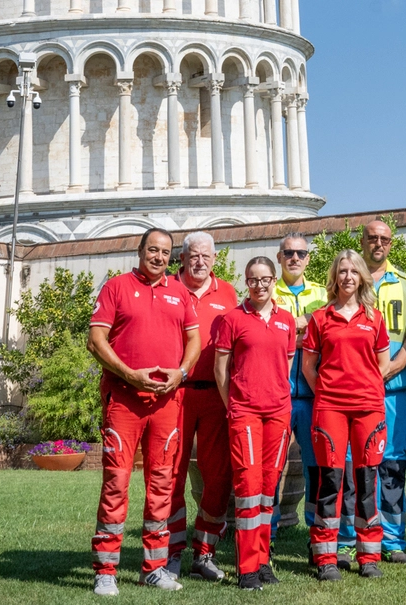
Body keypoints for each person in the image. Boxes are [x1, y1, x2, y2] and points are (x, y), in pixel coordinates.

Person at [87, 228, 200, 596]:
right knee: (116, 484)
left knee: (163, 485)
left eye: (166, 252)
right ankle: (106, 570)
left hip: (167, 402)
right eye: (153, 249)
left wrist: (181, 372)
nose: (159, 257)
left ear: (172, 257)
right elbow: (95, 340)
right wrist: (128, 374)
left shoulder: (180, 293)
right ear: (140, 251)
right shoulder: (116, 287)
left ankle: (154, 567)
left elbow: (195, 340)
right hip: (123, 400)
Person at [303, 250, 392, 581]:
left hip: (368, 407)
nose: (348, 277)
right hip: (330, 408)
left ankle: (368, 556)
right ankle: (325, 555)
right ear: (334, 277)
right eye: (342, 271)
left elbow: (382, 364)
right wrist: (329, 391)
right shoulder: (320, 318)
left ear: (361, 277)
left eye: (353, 271)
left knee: (367, 481)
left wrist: (365, 385)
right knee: (331, 480)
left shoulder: (375, 318)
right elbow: (309, 367)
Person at [213, 257, 297, 590]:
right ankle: (247, 568)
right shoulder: (232, 319)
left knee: (267, 491)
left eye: (264, 279)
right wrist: (233, 405)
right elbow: (221, 371)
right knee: (248, 490)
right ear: (245, 283)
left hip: (278, 413)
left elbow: (286, 366)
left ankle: (263, 562)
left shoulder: (286, 321)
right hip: (245, 413)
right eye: (252, 280)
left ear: (273, 280)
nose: (259, 285)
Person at [164, 232, 238, 582]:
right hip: (175, 393)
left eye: (207, 256)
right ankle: (171, 552)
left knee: (219, 477)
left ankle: (204, 552)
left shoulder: (227, 293)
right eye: (194, 255)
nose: (200, 262)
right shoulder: (165, 288)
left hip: (215, 394)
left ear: (215, 258)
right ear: (182, 257)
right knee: (170, 475)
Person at [267, 233, 341, 560]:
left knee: (316, 468)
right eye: (289, 253)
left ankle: (316, 535)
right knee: (271, 469)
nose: (295, 258)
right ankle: (263, 535)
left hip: (312, 396)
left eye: (301, 253)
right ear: (280, 257)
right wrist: (296, 330)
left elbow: (325, 335)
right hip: (277, 395)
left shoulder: (321, 295)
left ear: (308, 259)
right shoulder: (268, 291)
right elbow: (266, 332)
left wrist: (299, 329)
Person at [362, 220, 406, 564]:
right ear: (363, 241)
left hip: (397, 387)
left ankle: (393, 540)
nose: (378, 244)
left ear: (391, 243)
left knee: (394, 465)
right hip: (357, 388)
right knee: (359, 464)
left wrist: (398, 362)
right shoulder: (350, 279)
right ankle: (356, 535)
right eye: (372, 238)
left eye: (384, 239)